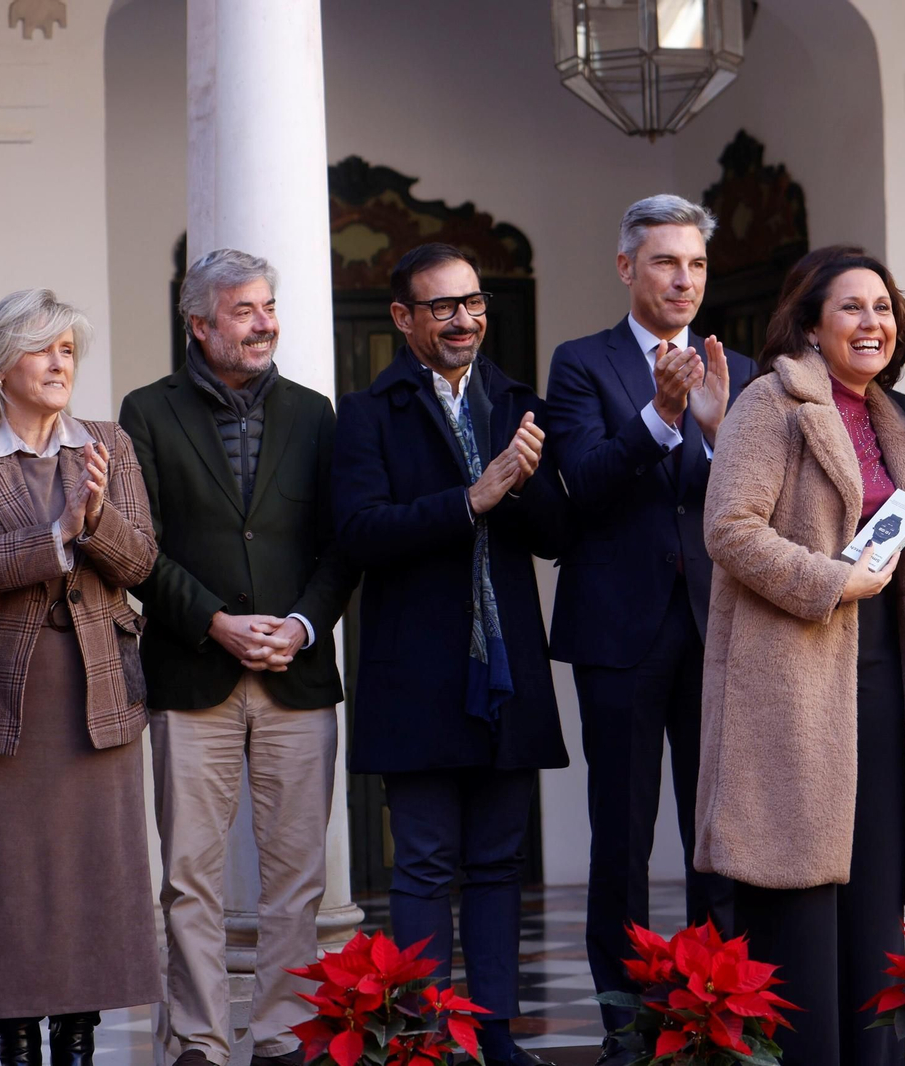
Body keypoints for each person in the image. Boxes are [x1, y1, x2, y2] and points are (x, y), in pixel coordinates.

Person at [119, 249, 357, 1066]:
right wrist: (214, 621)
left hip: (298, 675)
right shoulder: (146, 412)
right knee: (191, 877)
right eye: (246, 311)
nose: (266, 324)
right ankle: (199, 1038)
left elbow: (340, 545)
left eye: (269, 307)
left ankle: (285, 1032)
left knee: (296, 879)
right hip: (192, 674)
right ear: (201, 324)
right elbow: (137, 550)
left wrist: (301, 622)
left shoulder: (314, 413)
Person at [335, 243, 567, 1066]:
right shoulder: (368, 414)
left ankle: (496, 1034)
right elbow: (359, 532)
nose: (465, 318)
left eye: (473, 302)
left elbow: (553, 538)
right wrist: (473, 496)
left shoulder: (518, 403)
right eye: (443, 306)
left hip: (506, 668)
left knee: (500, 862)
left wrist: (525, 485)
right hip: (419, 672)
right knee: (427, 864)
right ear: (403, 318)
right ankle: (427, 1035)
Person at [695, 247, 905, 1066]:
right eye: (854, 308)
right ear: (813, 324)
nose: (874, 323)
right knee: (799, 908)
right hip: (793, 681)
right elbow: (730, 529)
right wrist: (832, 581)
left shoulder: (889, 417)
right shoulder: (770, 401)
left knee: (871, 912)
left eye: (884, 308)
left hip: (877, 677)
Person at [542, 195, 750, 1063]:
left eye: (697, 264)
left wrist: (718, 427)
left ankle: (716, 1007)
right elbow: (580, 482)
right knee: (623, 830)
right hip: (620, 628)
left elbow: (756, 499)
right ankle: (626, 1014)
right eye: (667, 262)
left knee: (718, 829)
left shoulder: (731, 365)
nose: (684, 279)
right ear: (628, 269)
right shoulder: (582, 363)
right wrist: (662, 420)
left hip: (717, 626)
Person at [0, 290, 160, 1064]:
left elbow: (140, 563)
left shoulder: (109, 444)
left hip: (96, 689)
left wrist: (93, 522)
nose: (61, 364)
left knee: (97, 874)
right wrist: (56, 531)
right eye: (44, 349)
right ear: (2, 364)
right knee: (8, 879)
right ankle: (17, 1039)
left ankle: (80, 1040)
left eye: (69, 351)